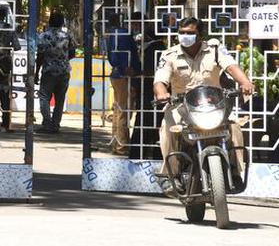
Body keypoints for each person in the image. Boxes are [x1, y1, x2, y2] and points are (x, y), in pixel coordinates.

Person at [153, 17, 254, 188]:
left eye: (190, 33)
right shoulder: (169, 55)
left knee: (234, 126)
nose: (185, 36)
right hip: (182, 107)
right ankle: (170, 175)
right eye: (182, 33)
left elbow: (230, 66)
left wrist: (245, 82)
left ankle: (236, 171)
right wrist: (162, 93)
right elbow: (160, 79)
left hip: (214, 106)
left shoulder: (215, 51)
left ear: (200, 35)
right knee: (168, 126)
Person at [105, 12, 141, 155]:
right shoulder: (123, 34)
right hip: (124, 75)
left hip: (116, 74)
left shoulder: (112, 34)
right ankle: (122, 146)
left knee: (118, 110)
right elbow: (127, 55)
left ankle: (116, 143)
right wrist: (128, 68)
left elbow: (113, 56)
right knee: (124, 111)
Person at [35, 12, 76, 133]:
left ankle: (47, 123)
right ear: (62, 22)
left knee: (44, 97)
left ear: (49, 22)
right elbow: (72, 53)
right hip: (63, 71)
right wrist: (62, 60)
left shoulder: (43, 36)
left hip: (48, 71)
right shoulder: (67, 36)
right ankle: (56, 125)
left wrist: (37, 71)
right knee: (60, 99)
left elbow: (40, 55)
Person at [129, 23, 165, 159]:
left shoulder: (153, 49)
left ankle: (137, 156)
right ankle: (155, 156)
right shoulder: (161, 49)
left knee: (143, 127)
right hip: (154, 94)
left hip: (149, 94)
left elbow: (150, 71)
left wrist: (137, 73)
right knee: (155, 127)